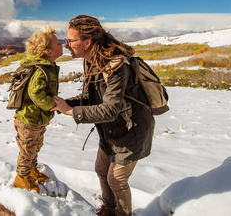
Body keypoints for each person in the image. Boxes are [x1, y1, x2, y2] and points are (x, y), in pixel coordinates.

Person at [52, 15, 155, 216]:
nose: (67, 45)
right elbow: (90, 97)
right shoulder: (91, 60)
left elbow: (110, 109)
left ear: (87, 42)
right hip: (110, 130)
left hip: (130, 131)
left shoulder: (116, 65)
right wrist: (62, 104)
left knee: (116, 180)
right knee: (101, 170)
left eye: (70, 41)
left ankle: (124, 214)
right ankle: (109, 209)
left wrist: (71, 111)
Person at [13, 25, 63, 193]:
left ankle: (31, 171)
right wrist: (52, 105)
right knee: (27, 149)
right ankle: (21, 177)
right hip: (29, 119)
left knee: (35, 146)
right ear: (48, 51)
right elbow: (35, 93)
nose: (62, 45)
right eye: (58, 43)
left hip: (36, 119)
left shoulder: (47, 66)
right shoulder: (42, 70)